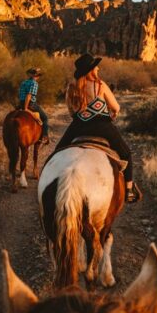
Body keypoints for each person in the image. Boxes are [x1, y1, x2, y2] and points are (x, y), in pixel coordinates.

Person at [55, 53, 142, 203]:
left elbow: (71, 113)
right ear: (90, 70)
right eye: (96, 67)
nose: (98, 68)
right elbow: (116, 106)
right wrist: (112, 113)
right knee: (126, 153)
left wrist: (83, 115)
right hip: (102, 126)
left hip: (78, 127)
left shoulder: (71, 88)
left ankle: (53, 187)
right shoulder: (100, 85)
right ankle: (128, 190)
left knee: (57, 151)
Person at [18, 67, 49, 144]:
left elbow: (20, 94)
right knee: (45, 118)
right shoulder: (34, 83)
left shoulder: (23, 82)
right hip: (30, 104)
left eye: (38, 75)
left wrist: (22, 106)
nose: (38, 77)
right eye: (37, 75)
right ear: (34, 75)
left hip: (21, 103)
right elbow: (29, 95)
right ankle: (44, 136)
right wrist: (26, 108)